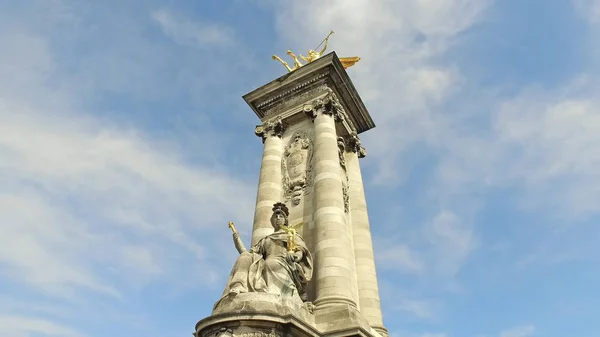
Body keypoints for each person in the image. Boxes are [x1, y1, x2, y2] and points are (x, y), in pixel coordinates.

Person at [217, 202, 313, 305]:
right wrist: (237, 239)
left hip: (283, 262)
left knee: (271, 262)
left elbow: (301, 249)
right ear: (272, 220)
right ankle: (239, 286)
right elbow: (249, 253)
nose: (278, 218)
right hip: (266, 262)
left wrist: (296, 256)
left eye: (281, 216)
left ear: (285, 220)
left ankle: (273, 294)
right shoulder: (266, 239)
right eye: (275, 216)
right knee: (244, 257)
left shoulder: (291, 234)